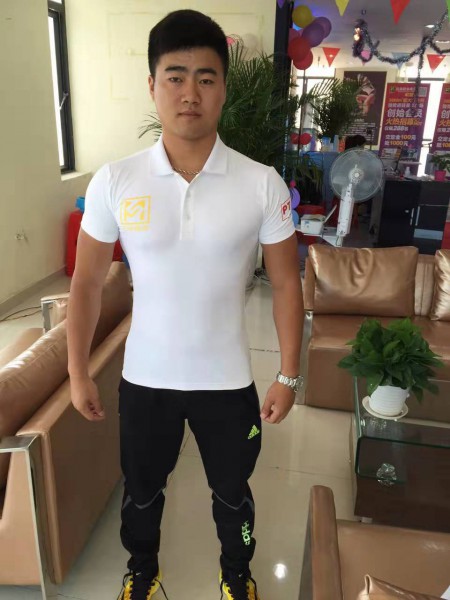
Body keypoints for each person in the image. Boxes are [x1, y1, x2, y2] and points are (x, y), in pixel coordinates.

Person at [67, 9, 303, 600]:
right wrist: (77, 370)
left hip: (227, 381)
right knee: (142, 492)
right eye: (175, 76)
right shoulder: (115, 181)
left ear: (223, 88)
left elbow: (286, 285)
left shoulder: (261, 183)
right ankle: (142, 574)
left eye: (205, 77)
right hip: (146, 379)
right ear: (152, 85)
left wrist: (288, 374)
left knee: (234, 495)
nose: (189, 93)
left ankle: (237, 576)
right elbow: (87, 283)